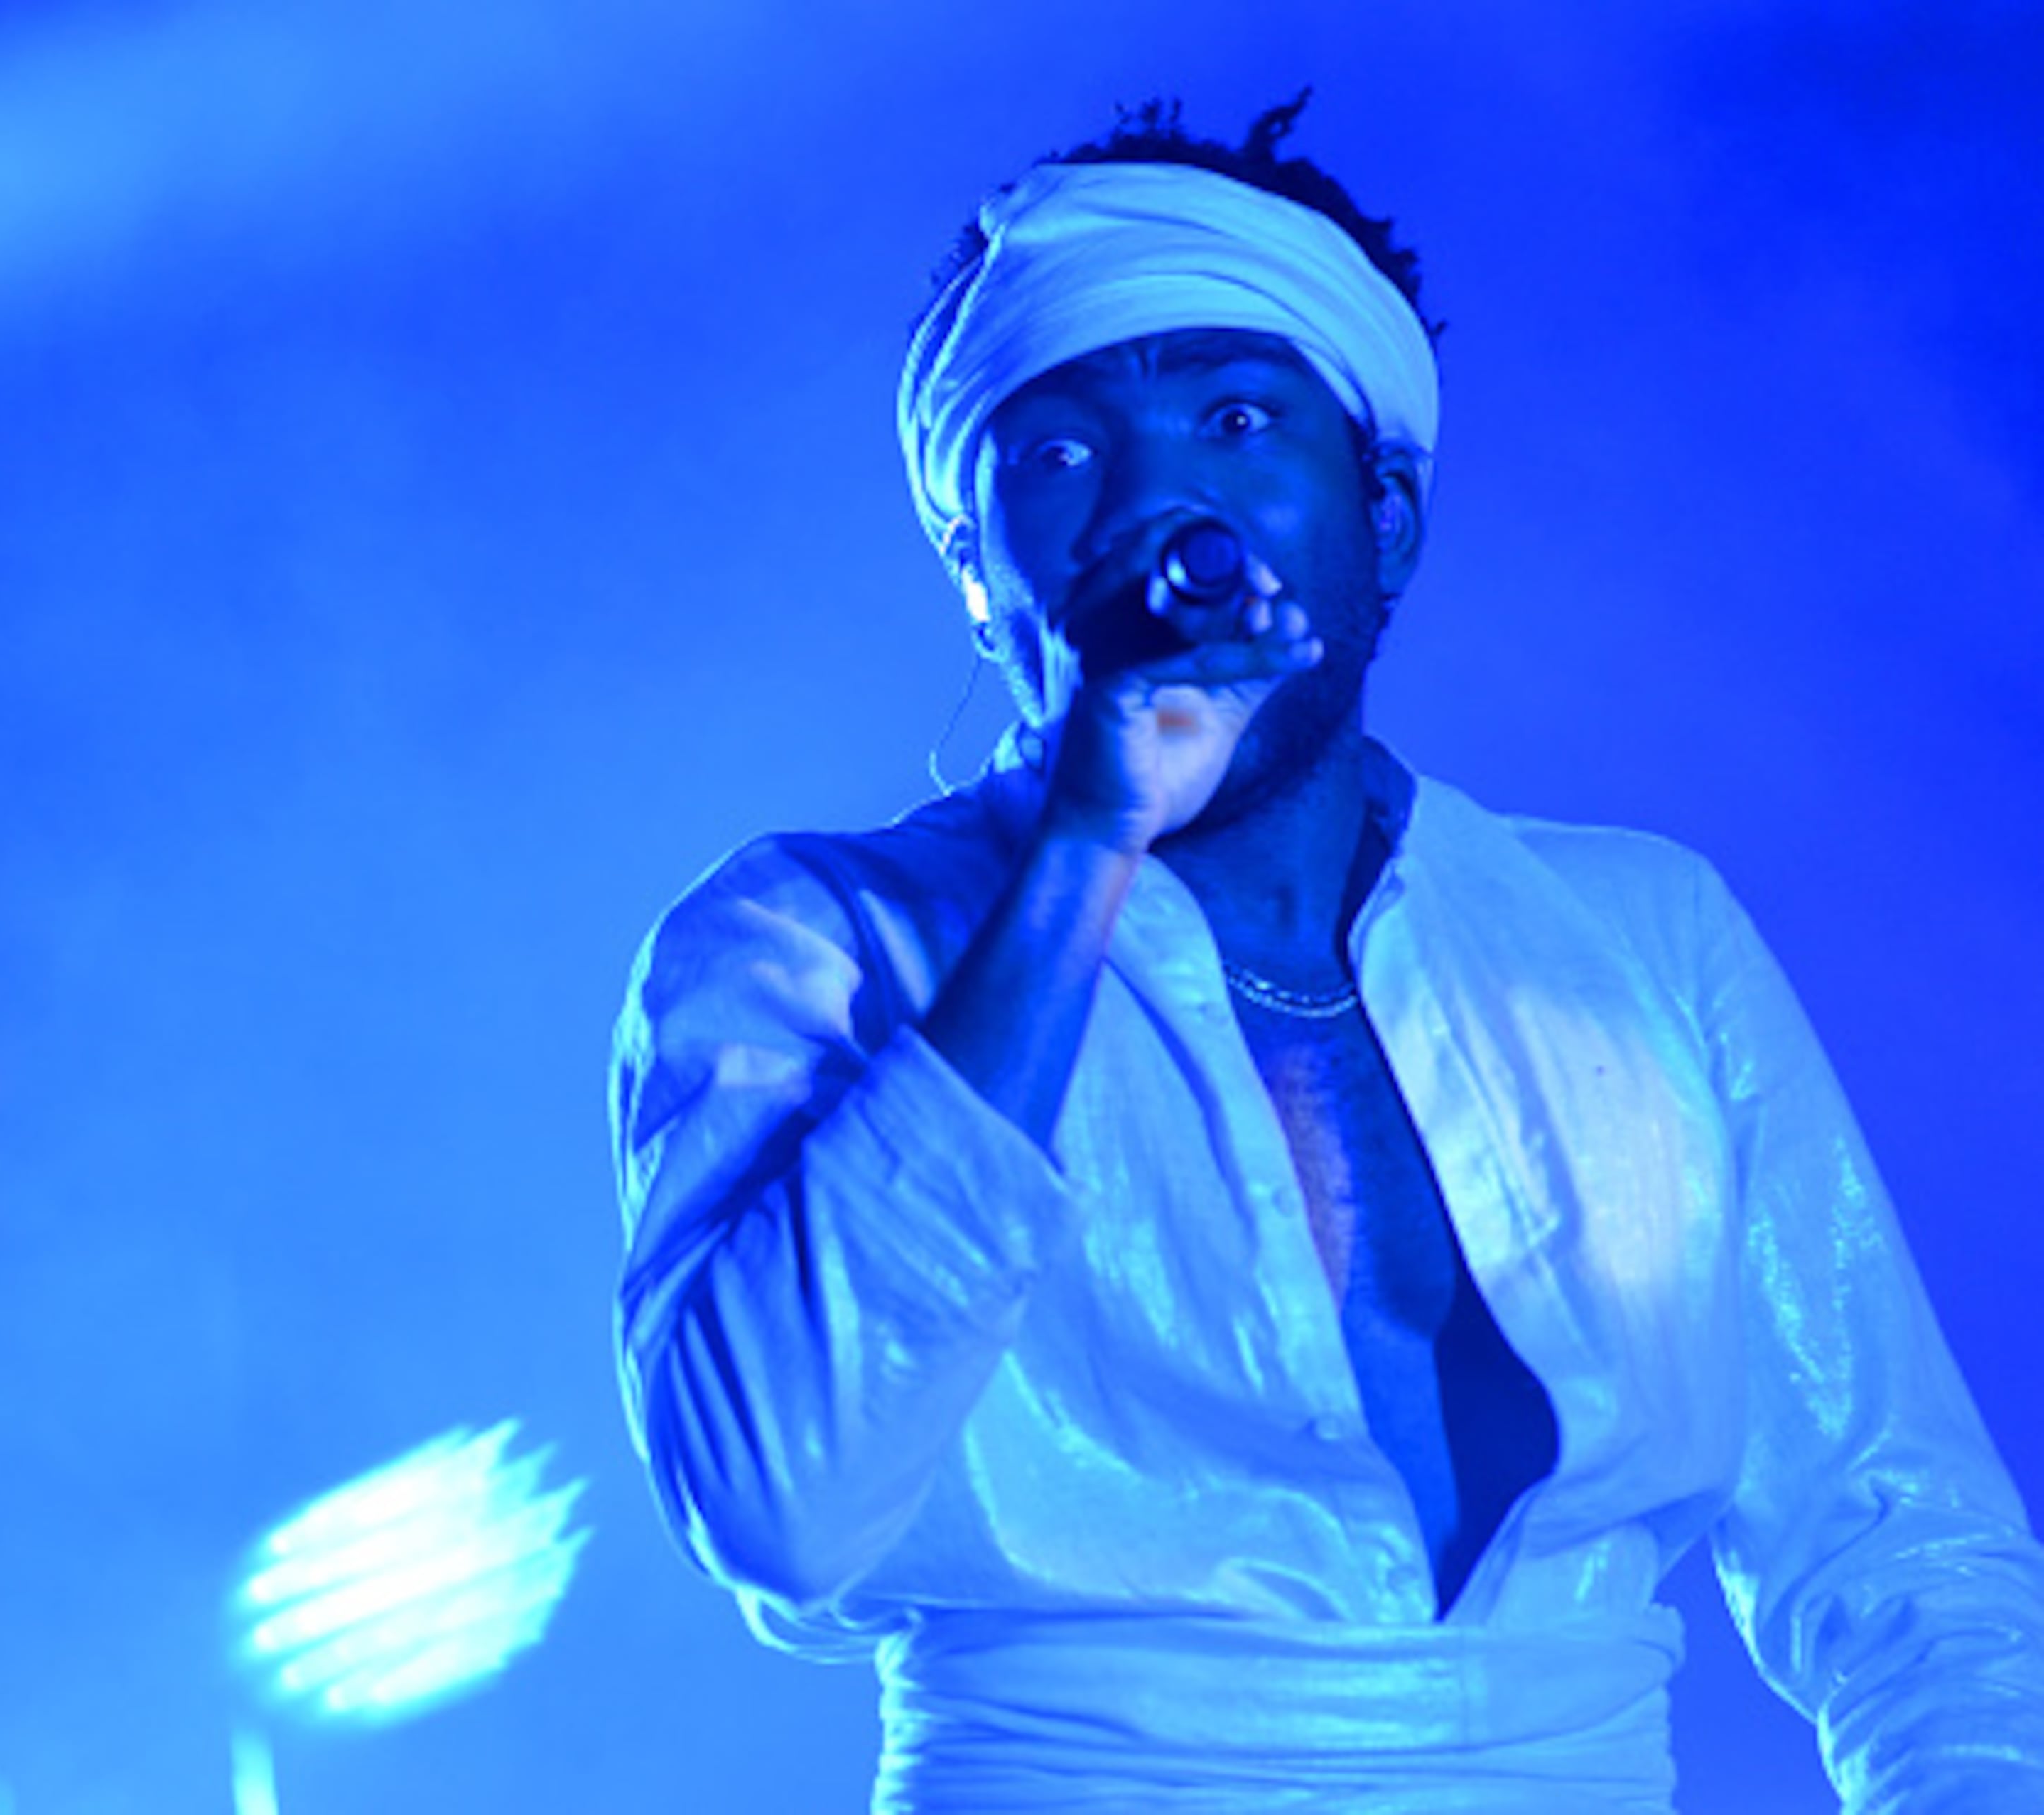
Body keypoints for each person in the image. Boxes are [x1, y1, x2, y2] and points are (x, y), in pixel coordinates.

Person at [607, 96, 2044, 1812]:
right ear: (976, 573)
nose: (1163, 513)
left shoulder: (1645, 937)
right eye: (1062, 452)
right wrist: (1085, 843)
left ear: (1390, 521)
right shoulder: (807, 941)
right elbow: (773, 1511)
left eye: (1237, 417)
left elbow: (1906, 1554)